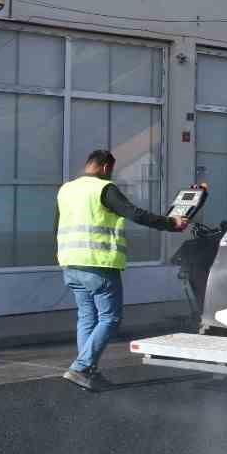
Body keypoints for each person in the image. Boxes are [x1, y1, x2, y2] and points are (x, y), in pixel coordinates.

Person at [56, 149, 187, 391]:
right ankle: (81, 366)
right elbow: (134, 213)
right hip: (99, 263)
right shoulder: (104, 188)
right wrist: (171, 223)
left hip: (70, 262)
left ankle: (88, 371)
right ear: (106, 167)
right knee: (110, 318)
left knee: (87, 317)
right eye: (111, 170)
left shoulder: (66, 189)